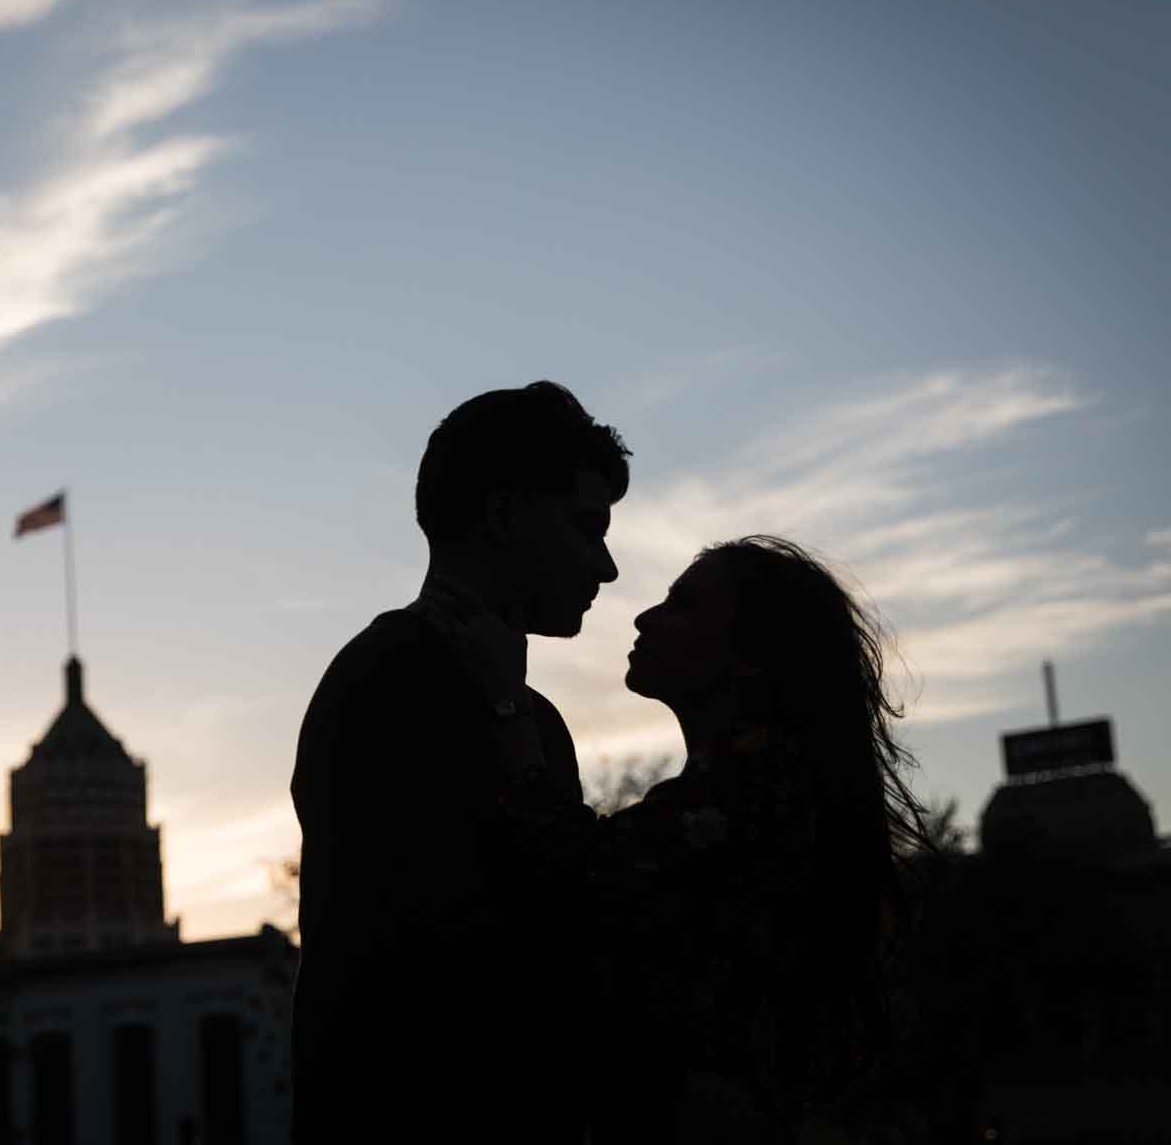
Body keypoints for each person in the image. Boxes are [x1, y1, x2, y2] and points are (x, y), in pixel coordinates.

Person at [289, 382, 629, 1143]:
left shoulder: (525, 716)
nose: (606, 566)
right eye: (586, 527)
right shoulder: (388, 683)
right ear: (506, 516)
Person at [527, 536, 934, 1143]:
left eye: (683, 604)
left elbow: (556, 885)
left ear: (751, 656)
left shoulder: (742, 804)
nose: (645, 617)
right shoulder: (766, 791)